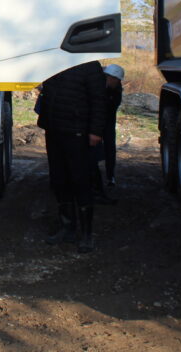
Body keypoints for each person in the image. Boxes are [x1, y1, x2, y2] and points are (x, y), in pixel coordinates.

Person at [36, 60, 106, 253]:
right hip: (54, 130)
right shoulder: (53, 62)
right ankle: (67, 228)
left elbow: (99, 101)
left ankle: (86, 235)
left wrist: (96, 131)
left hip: (78, 132)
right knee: (59, 180)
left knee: (81, 181)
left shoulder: (90, 65)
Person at [91, 64, 124, 204]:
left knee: (110, 146)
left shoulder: (117, 91)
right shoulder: (97, 83)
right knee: (93, 147)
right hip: (95, 120)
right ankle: (93, 175)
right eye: (115, 80)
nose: (116, 82)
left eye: (118, 81)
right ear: (109, 77)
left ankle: (110, 175)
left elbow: (110, 107)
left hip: (108, 120)